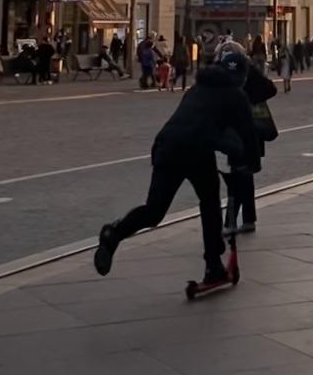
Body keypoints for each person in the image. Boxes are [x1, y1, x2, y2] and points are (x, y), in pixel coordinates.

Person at [93, 46, 261, 287]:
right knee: (210, 202)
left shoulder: (197, 88)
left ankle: (114, 233)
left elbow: (191, 120)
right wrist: (250, 164)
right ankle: (213, 265)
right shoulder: (235, 94)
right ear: (243, 76)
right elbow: (248, 134)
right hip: (197, 150)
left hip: (167, 146)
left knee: (154, 210)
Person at [226, 51, 278, 234]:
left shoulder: (235, 74)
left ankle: (231, 222)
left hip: (241, 133)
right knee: (245, 177)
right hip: (252, 133)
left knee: (237, 176)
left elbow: (271, 89)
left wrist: (247, 100)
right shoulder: (249, 72)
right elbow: (271, 89)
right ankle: (248, 219)